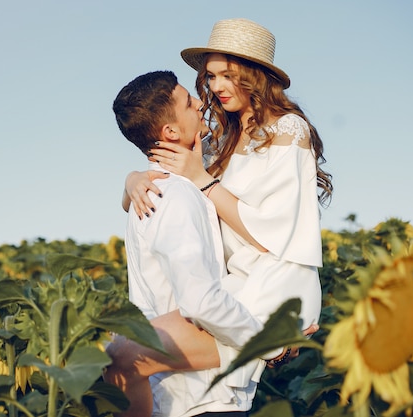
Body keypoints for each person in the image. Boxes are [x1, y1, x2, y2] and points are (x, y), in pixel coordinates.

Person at [121, 16, 333, 410]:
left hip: (274, 278)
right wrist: (132, 180)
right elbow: (167, 186)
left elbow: (275, 231)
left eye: (226, 76)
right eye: (210, 76)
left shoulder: (290, 130)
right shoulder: (221, 138)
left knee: (132, 352)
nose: (215, 87)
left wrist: (204, 180)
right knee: (143, 358)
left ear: (254, 76)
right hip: (236, 281)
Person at [107, 70, 304, 417]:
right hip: (198, 398)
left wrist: (132, 178)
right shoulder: (175, 195)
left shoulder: (155, 187)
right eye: (188, 102)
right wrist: (271, 345)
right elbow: (201, 302)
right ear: (170, 132)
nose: (201, 103)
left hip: (180, 394)